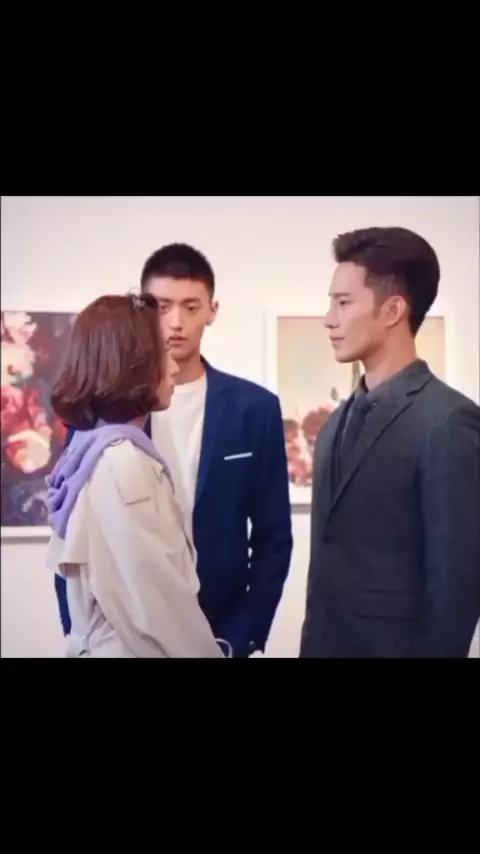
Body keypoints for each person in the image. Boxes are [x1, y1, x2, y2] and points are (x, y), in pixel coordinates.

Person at [55, 244, 293, 657]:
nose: (176, 323)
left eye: (191, 306)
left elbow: (273, 536)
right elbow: (71, 538)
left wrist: (240, 637)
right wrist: (82, 631)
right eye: (163, 306)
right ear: (146, 311)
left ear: (212, 310)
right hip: (127, 632)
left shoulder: (254, 408)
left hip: (221, 628)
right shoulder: (101, 418)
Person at [300, 226, 480, 658]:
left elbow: (455, 589)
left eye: (343, 302)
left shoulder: (447, 422)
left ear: (394, 310)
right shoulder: (335, 423)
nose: (329, 318)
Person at [46, 292, 225, 657]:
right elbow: (159, 611)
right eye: (163, 351)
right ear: (131, 363)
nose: (174, 367)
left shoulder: (90, 450)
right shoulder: (121, 463)